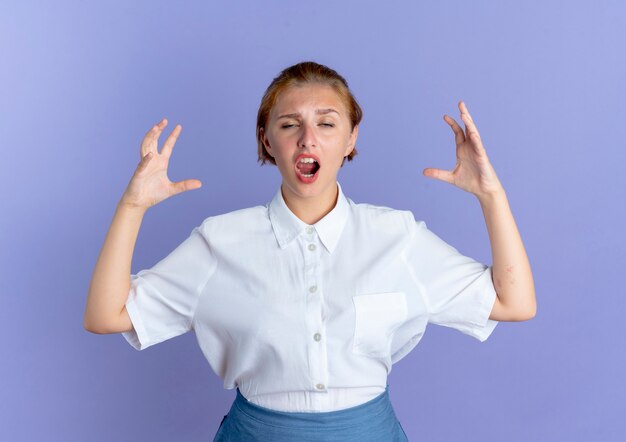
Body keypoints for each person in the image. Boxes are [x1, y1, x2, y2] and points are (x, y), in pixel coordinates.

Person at [84, 61, 536, 441]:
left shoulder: (398, 237)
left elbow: (514, 303)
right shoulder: (220, 241)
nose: (307, 138)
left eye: (326, 122)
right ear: (267, 140)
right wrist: (133, 206)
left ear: (351, 138)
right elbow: (107, 315)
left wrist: (491, 196)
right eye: (289, 125)